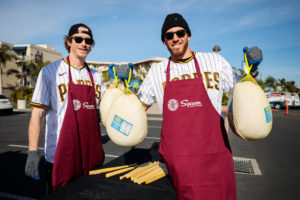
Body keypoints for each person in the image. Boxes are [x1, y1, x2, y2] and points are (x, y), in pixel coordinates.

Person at [136, 13, 262, 199]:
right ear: (164, 41)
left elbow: (242, 92)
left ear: (189, 35)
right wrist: (122, 93)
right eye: (169, 35)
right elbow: (137, 110)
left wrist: (253, 72)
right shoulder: (156, 72)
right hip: (178, 163)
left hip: (215, 157)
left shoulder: (215, 61)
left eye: (180, 32)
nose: (175, 38)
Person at [25, 23, 106, 191]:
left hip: (90, 156)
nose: (84, 44)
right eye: (79, 39)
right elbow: (37, 114)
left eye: (88, 41)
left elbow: (107, 110)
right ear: (69, 41)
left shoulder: (96, 76)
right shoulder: (49, 72)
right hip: (60, 158)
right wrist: (33, 151)